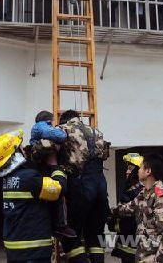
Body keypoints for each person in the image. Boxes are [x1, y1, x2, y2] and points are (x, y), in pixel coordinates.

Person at [0, 129, 67, 263]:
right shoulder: (29, 178)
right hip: (32, 251)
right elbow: (59, 189)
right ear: (16, 152)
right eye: (20, 147)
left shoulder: (8, 179)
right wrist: (55, 166)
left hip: (14, 249)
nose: (24, 149)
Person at [57, 110, 111, 263]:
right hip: (100, 185)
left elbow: (45, 146)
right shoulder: (96, 131)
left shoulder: (64, 129)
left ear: (64, 120)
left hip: (81, 185)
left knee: (70, 234)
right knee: (95, 234)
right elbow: (105, 154)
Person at [112, 153, 163, 263]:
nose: (138, 170)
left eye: (141, 167)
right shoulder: (144, 193)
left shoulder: (161, 197)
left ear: (148, 171)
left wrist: (156, 259)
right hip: (144, 255)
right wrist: (107, 212)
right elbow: (128, 208)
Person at [30, 110, 75, 238]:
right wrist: (61, 131)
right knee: (57, 192)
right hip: (45, 166)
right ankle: (59, 226)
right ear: (49, 120)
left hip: (43, 164)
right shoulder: (41, 126)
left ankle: (57, 226)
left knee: (54, 195)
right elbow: (60, 136)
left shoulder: (39, 127)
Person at [108, 153, 144, 263]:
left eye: (130, 169)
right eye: (127, 168)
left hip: (134, 239)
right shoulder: (130, 188)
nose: (127, 172)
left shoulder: (140, 191)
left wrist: (114, 212)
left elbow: (130, 210)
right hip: (125, 238)